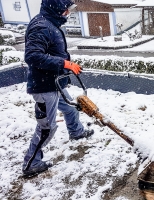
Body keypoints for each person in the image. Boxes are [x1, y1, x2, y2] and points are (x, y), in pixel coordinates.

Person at [22, 0, 94, 177]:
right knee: (47, 128)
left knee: (70, 108)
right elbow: (32, 56)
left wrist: (64, 65)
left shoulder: (50, 23)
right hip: (44, 87)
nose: (68, 14)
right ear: (56, 9)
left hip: (55, 83)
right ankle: (31, 163)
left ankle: (76, 132)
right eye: (66, 11)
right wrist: (64, 63)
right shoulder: (41, 26)